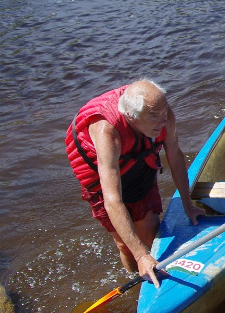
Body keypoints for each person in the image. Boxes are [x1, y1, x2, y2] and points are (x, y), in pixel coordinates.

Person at [65, 80, 205, 287]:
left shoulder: (164, 116)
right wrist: (140, 256)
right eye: (154, 116)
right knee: (126, 246)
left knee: (150, 230)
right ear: (131, 116)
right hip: (103, 176)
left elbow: (175, 156)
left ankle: (163, 275)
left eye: (163, 112)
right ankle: (141, 279)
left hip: (138, 165)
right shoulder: (107, 133)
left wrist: (188, 205)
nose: (162, 121)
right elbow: (112, 199)